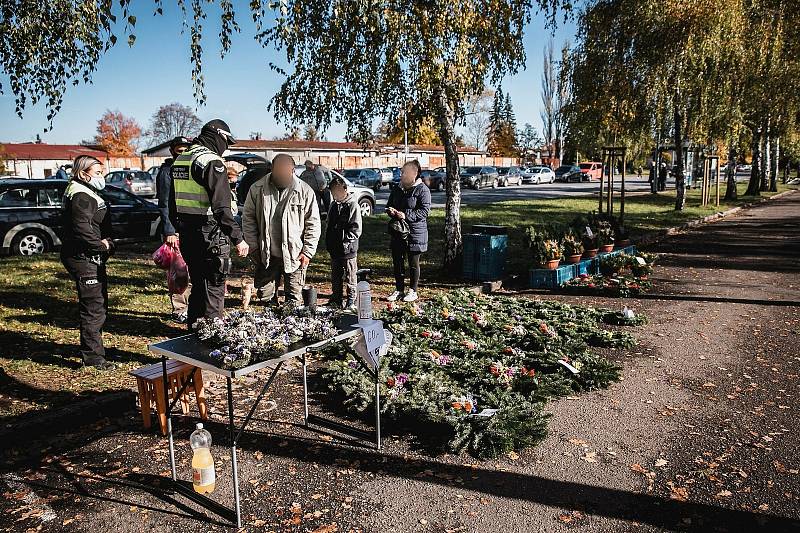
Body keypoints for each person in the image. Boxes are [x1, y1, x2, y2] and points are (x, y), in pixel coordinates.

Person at [169, 119, 249, 329]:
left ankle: (193, 337)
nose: (226, 148)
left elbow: (172, 204)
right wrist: (238, 238)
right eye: (227, 142)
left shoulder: (182, 159)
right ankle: (211, 343)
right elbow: (221, 208)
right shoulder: (211, 162)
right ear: (218, 136)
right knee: (213, 289)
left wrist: (180, 227)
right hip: (211, 234)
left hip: (188, 233)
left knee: (198, 287)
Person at [242, 153, 321, 306]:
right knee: (265, 298)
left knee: (294, 299)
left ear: (292, 170)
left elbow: (313, 223)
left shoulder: (305, 191)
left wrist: (308, 251)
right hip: (265, 255)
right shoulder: (257, 189)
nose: (283, 175)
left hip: (295, 254)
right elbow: (248, 219)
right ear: (272, 169)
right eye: (279, 171)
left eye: (287, 171)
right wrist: (253, 247)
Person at [60, 155, 115, 370]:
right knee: (94, 307)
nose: (102, 178)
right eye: (98, 173)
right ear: (84, 174)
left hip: (87, 256)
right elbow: (82, 229)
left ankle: (93, 351)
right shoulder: (81, 195)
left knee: (97, 305)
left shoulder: (82, 190)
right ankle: (93, 358)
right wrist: (103, 246)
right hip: (83, 257)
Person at [156, 136, 192, 322]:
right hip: (175, 231)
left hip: (189, 227)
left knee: (190, 269)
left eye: (187, 150)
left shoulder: (188, 168)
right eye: (180, 151)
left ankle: (190, 305)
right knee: (178, 272)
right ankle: (179, 309)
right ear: (172, 151)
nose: (184, 154)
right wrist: (169, 231)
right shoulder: (166, 172)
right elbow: (164, 204)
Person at [386, 159, 431, 303]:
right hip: (398, 231)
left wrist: (406, 215)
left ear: (415, 174)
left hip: (415, 232)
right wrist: (391, 211)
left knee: (413, 262)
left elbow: (424, 211)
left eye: (405, 172)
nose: (402, 174)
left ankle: (413, 290)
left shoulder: (422, 189)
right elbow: (389, 204)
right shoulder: (397, 188)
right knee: (397, 262)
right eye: (402, 172)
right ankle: (399, 289)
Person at [325, 176, 362, 310]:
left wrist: (346, 241)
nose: (335, 195)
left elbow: (356, 228)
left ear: (345, 189)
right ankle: (336, 299)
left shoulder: (352, 205)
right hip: (334, 248)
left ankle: (351, 300)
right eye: (333, 192)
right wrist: (329, 240)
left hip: (348, 249)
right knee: (335, 275)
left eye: (337, 191)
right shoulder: (333, 205)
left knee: (350, 275)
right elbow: (328, 224)